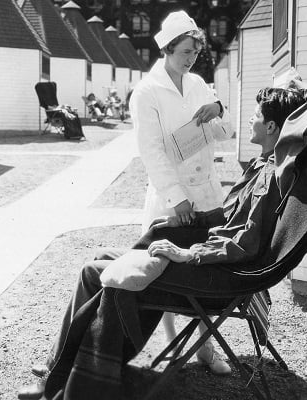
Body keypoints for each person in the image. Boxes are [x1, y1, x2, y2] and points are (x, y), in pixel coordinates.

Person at [17, 85, 307, 400]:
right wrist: (191, 220)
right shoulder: (263, 166)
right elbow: (228, 221)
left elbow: (242, 245)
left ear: (271, 127)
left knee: (97, 273)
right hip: (213, 265)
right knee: (102, 256)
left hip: (216, 280)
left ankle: (74, 383)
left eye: (256, 115)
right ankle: (65, 365)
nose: (249, 119)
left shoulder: (270, 180)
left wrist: (186, 253)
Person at [128, 10, 233, 374]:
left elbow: (227, 131)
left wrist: (218, 110)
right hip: (174, 198)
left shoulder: (199, 84)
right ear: (168, 48)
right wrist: (176, 198)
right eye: (186, 51)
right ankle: (171, 342)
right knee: (167, 271)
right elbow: (151, 151)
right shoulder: (147, 92)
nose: (191, 59)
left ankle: (206, 348)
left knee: (205, 269)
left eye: (195, 52)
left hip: (206, 193)